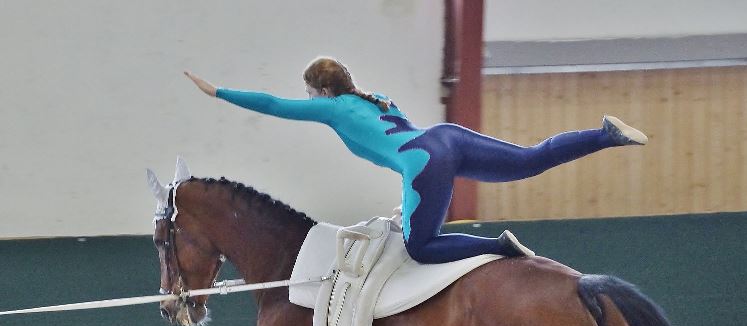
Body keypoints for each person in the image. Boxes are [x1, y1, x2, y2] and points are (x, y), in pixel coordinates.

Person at [185, 57, 647, 264]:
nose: (309, 100)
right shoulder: (378, 100)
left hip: (426, 163)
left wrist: (218, 92)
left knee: (419, 247)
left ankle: (498, 247)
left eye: (311, 93)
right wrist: (406, 204)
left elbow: (272, 105)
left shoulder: (332, 107)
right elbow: (400, 144)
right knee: (528, 160)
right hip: (445, 139)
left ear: (321, 92)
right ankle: (605, 135)